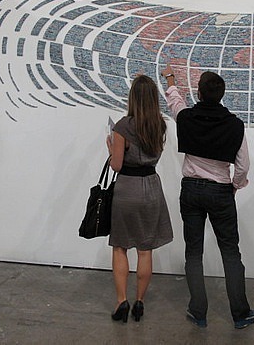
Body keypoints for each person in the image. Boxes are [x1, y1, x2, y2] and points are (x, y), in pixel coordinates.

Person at [161, 64, 254, 329]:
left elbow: (175, 102)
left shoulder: (187, 118)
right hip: (220, 191)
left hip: (191, 190)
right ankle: (240, 314)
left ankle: (198, 311)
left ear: (199, 94)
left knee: (194, 252)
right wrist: (235, 185)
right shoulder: (235, 125)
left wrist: (170, 78)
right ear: (221, 95)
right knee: (230, 251)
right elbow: (243, 165)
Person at [106, 74, 173, 323]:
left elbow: (116, 165)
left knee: (120, 246)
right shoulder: (160, 125)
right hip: (151, 187)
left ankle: (121, 301)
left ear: (132, 97)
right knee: (145, 250)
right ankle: (140, 302)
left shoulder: (122, 126)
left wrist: (110, 148)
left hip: (127, 188)